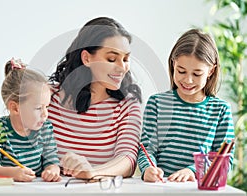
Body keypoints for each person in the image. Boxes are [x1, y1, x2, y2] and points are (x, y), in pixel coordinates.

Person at [47, 17, 142, 179]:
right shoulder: (50, 98)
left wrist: (91, 172)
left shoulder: (128, 104)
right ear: (87, 58)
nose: (122, 67)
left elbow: (127, 159)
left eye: (125, 59)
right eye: (111, 59)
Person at [138, 29, 235, 182]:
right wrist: (147, 169)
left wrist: (193, 171)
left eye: (197, 74)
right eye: (181, 71)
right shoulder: (157, 103)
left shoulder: (221, 110)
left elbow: (224, 161)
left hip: (197, 190)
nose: (188, 80)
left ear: (211, 71)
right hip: (161, 188)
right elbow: (146, 149)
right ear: (173, 63)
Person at [0, 58, 61, 182]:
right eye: (39, 108)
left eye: (47, 107)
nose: (45, 114)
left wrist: (52, 171)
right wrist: (12, 173)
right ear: (15, 108)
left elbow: (52, 160)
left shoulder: (45, 128)